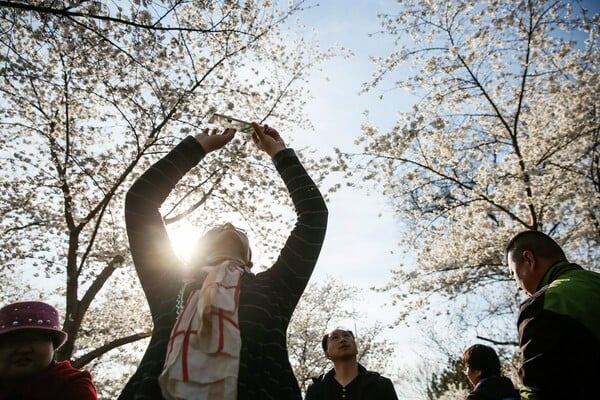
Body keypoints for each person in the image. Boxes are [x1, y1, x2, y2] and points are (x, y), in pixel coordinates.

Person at [118, 123, 328, 400]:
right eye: (217, 228)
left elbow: (313, 215)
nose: (228, 225)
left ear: (250, 260)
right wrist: (197, 146)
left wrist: (279, 153)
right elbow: (140, 203)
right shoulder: (170, 286)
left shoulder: (275, 288)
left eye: (239, 232)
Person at [505, 230, 600, 400]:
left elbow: (537, 386)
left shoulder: (545, 302)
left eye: (514, 274)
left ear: (529, 259)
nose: (518, 286)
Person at [0, 300, 98, 399]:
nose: (24, 349)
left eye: (35, 340)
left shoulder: (72, 386)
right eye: (12, 342)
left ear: (54, 347)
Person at [305, 328, 398, 400]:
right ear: (327, 354)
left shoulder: (381, 384)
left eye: (346, 336)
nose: (342, 339)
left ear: (356, 347)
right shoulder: (317, 389)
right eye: (335, 338)